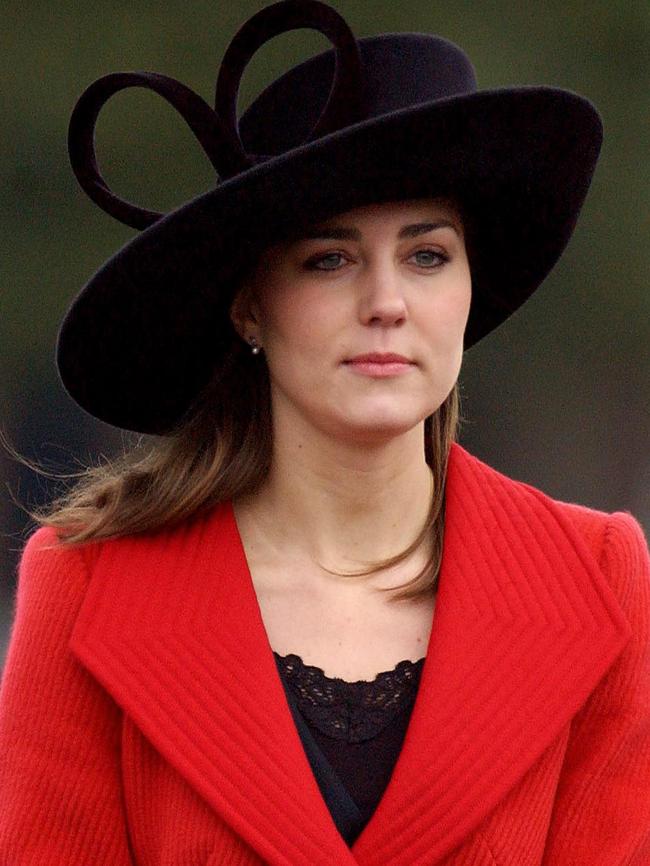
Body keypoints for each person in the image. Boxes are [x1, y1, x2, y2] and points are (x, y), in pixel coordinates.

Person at [1, 1, 648, 864]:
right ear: (249, 307)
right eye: (328, 260)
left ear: (466, 291)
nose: (387, 301)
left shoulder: (599, 575)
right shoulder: (86, 582)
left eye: (427, 256)